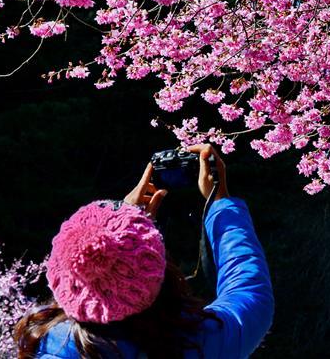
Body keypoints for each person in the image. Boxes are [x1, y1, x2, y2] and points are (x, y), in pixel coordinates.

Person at [14, 144, 274, 358]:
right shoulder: (204, 343)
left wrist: (123, 220)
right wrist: (221, 204)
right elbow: (249, 290)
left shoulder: (47, 346)